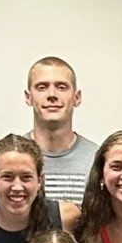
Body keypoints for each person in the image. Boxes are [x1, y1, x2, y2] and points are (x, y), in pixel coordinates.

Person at [26, 56, 99, 203]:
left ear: (77, 97)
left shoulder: (98, 159)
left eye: (61, 87)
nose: (52, 95)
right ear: (29, 97)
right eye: (42, 87)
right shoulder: (7, 158)